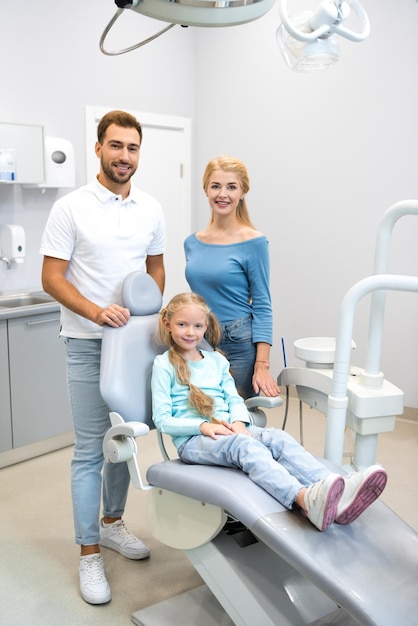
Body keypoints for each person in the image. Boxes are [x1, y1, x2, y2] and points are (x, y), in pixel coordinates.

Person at [40, 110, 166, 605]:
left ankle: (112, 524)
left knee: (126, 441)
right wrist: (98, 313)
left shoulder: (151, 208)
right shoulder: (71, 208)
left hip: (134, 346)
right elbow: (52, 277)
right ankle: (88, 552)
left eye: (132, 148)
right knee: (91, 449)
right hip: (88, 345)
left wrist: (144, 315)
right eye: (116, 146)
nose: (124, 157)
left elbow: (156, 268)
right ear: (98, 148)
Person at [151, 292, 388, 533]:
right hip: (194, 441)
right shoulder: (164, 365)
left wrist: (240, 422)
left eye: (197, 326)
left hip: (232, 429)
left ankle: (337, 490)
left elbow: (233, 398)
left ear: (206, 326)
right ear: (168, 324)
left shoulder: (216, 361)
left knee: (277, 437)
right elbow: (162, 420)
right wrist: (203, 427)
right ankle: (305, 499)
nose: (190, 332)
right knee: (245, 448)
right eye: (182, 324)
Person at [184, 155, 280, 400]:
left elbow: (262, 303)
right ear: (206, 189)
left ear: (243, 192)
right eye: (215, 186)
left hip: (238, 341)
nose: (222, 194)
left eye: (231, 187)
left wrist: (262, 365)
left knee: (237, 420)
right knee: (204, 416)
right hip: (200, 339)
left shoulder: (254, 242)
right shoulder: (192, 243)